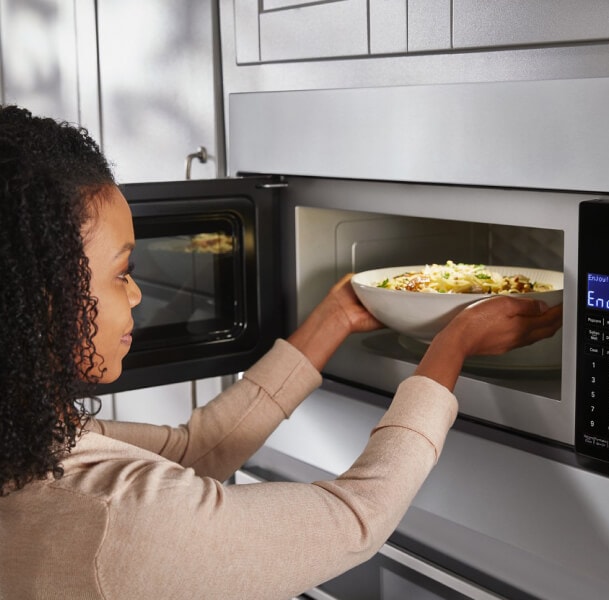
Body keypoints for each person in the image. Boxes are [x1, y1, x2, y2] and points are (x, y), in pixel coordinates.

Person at [0, 105, 563, 599]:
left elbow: (195, 453)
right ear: (40, 298)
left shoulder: (31, 445)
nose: (139, 292)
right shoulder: (117, 519)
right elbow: (355, 518)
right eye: (122, 272)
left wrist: (335, 317)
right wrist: (454, 342)